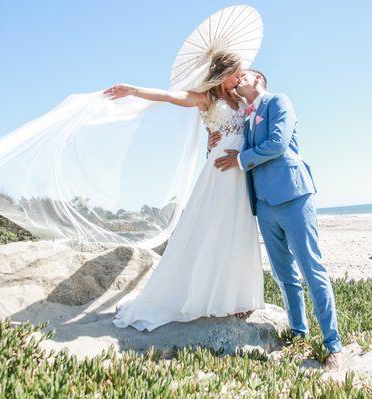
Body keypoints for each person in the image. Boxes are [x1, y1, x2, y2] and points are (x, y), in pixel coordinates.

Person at [104, 51, 265, 332]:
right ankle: (197, 295)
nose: (241, 77)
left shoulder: (242, 100)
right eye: (237, 73)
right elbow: (169, 97)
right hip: (220, 172)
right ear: (223, 74)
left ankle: (237, 297)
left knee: (238, 229)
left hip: (240, 171)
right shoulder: (207, 99)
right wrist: (134, 90)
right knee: (211, 228)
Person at [209, 69, 343, 369]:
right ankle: (298, 332)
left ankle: (333, 345)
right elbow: (231, 140)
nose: (238, 78)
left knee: (311, 270)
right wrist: (212, 140)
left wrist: (240, 159)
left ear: (258, 81)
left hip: (294, 195)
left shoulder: (279, 101)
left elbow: (278, 143)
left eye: (244, 74)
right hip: (265, 204)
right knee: (284, 274)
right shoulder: (245, 117)